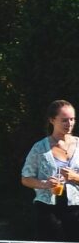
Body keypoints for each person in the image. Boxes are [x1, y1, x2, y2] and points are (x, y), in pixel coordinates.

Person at [22, 100, 79, 235]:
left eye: (72, 119)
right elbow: (26, 178)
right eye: (64, 120)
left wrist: (75, 177)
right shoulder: (40, 148)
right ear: (52, 120)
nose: (69, 124)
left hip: (76, 207)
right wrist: (45, 184)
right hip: (47, 207)